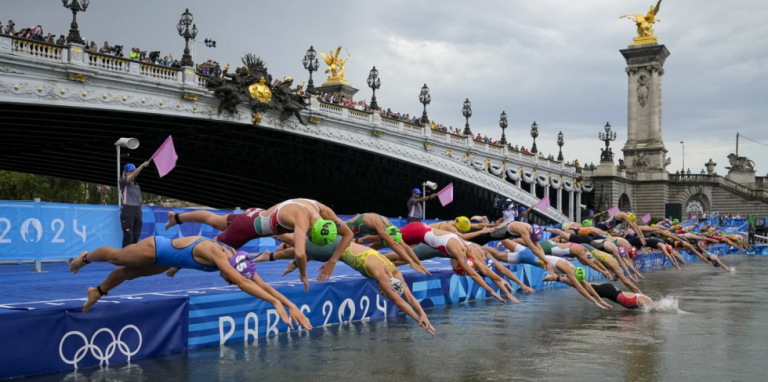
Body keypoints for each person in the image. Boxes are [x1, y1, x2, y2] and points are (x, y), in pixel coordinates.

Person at [67, 235, 312, 331]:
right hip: (157, 247)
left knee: (128, 274)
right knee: (116, 258)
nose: (227, 281)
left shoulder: (238, 259)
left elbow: (262, 285)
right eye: (229, 280)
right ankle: (84, 258)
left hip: (170, 260)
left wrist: (290, 305)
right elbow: (241, 283)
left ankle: (97, 291)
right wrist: (274, 304)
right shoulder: (221, 257)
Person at [261, 234, 435, 335]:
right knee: (298, 243)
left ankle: (276, 257)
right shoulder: (380, 273)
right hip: (335, 247)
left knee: (310, 254)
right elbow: (399, 301)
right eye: (383, 291)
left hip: (337, 249)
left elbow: (408, 297)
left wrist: (422, 314)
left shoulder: (394, 273)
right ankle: (264, 227)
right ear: (385, 286)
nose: (379, 290)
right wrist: (417, 320)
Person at [164, 199, 353, 290]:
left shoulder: (324, 212)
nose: (308, 238)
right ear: (311, 228)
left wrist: (332, 261)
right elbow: (301, 253)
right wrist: (303, 275)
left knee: (215, 220)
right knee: (212, 251)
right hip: (247, 229)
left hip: (253, 214)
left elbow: (348, 234)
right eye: (310, 237)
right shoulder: (303, 220)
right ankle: (176, 263)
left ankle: (176, 218)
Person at [550, 278, 655, 310]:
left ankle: (560, 278)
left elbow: (636, 290)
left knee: (583, 286)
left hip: (611, 291)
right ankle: (559, 278)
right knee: (582, 287)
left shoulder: (644, 299)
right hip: (609, 291)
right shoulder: (644, 301)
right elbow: (636, 291)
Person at [119, 162, 150, 248]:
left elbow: (139, 198)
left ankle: (133, 254)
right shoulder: (123, 182)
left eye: (134, 170)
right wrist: (142, 165)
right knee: (128, 235)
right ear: (126, 172)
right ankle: (124, 255)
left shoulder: (136, 185)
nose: (133, 172)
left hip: (137, 210)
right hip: (128, 209)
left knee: (136, 235)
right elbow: (134, 175)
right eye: (131, 171)